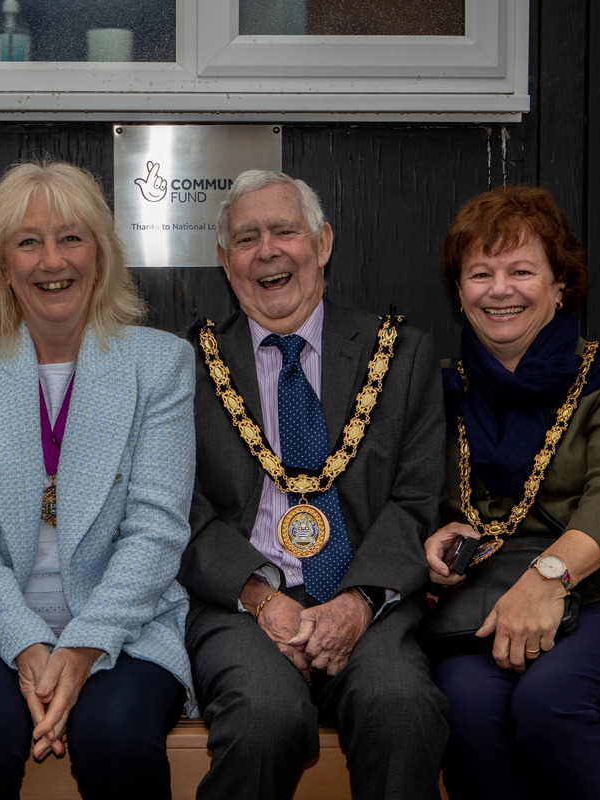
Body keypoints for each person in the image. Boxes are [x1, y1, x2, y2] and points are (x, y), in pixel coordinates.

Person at [425, 184, 600, 800]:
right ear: (460, 293)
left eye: (522, 270)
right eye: (480, 273)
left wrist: (547, 579)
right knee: (465, 712)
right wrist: (430, 540)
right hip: (481, 613)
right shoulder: (437, 396)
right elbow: (408, 500)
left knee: (551, 703)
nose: (499, 289)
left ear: (561, 285)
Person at [0, 160, 196, 800]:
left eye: (72, 238)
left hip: (127, 624)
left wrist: (82, 650)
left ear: (100, 254)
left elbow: (157, 533)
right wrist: (27, 648)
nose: (53, 261)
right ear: (1, 263)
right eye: (29, 242)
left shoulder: (158, 364)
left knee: (116, 735)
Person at [180, 169, 449, 800]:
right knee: (264, 719)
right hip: (243, 605)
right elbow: (176, 510)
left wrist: (354, 606)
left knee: (403, 707)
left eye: (285, 231)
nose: (267, 251)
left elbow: (417, 502)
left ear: (322, 243)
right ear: (225, 261)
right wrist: (262, 597)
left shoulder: (400, 353)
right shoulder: (187, 365)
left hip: (366, 603)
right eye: (247, 238)